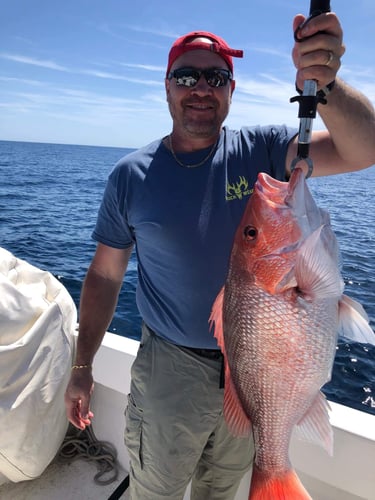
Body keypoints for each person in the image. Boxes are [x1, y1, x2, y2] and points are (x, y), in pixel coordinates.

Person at [64, 11, 375, 500]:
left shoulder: (266, 151)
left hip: (252, 374)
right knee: (156, 489)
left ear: (232, 90)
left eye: (216, 77)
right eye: (187, 76)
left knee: (221, 489)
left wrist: (328, 85)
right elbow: (104, 276)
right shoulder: (131, 176)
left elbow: (364, 149)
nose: (201, 88)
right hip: (171, 371)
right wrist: (83, 367)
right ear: (167, 88)